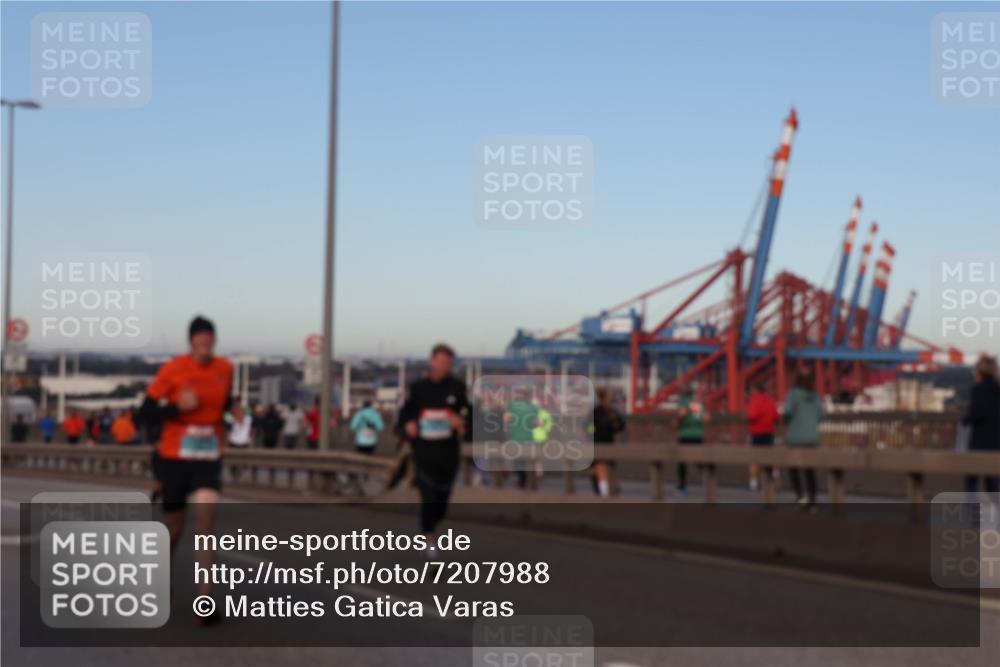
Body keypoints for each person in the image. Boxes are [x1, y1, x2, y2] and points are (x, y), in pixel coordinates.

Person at [137, 315, 232, 625]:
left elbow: (225, 403)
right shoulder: (173, 369)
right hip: (174, 457)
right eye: (200, 340)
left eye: (209, 340)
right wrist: (177, 408)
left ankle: (205, 601)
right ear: (191, 342)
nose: (205, 345)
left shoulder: (225, 369)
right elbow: (146, 413)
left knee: (206, 525)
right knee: (175, 527)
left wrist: (234, 412)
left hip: (207, 456)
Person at [397, 343, 469, 560]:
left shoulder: (457, 388)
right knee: (428, 496)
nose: (444, 366)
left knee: (441, 504)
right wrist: (409, 424)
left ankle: (430, 528)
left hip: (448, 453)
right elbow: (405, 414)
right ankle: (430, 544)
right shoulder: (419, 389)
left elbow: (470, 414)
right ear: (431, 362)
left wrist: (461, 422)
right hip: (424, 451)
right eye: (440, 362)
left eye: (448, 363)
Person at [784, 368, 824, 509]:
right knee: (809, 471)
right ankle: (812, 499)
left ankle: (800, 496)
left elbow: (787, 412)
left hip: (795, 438)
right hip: (812, 438)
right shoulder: (815, 396)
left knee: (793, 469)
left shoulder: (793, 394)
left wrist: (787, 421)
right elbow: (821, 416)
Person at [963, 355, 1000, 495]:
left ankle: (972, 514)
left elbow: (976, 414)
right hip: (996, 444)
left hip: (979, 444)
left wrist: (966, 419)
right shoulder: (997, 389)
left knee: (971, 482)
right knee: (993, 485)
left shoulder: (978, 389)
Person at [746, 381, 780, 491]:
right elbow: (776, 416)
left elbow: (752, 415)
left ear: (755, 390)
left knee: (754, 458)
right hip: (769, 432)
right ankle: (774, 475)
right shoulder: (770, 400)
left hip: (756, 432)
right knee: (770, 456)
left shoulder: (755, 400)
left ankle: (753, 483)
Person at [590, 388, 625, 497]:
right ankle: (609, 488)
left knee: (598, 467)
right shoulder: (612, 413)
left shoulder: (595, 412)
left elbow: (585, 426)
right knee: (608, 467)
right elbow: (620, 427)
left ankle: (603, 490)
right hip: (609, 442)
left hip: (596, 442)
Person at [504, 386, 539, 489]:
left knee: (517, 462)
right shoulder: (533, 407)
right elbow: (536, 423)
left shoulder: (511, 406)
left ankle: (521, 479)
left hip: (515, 438)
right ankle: (527, 480)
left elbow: (506, 420)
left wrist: (509, 429)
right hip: (528, 438)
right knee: (528, 461)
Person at [675, 387, 706, 496]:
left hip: (685, 434)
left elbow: (682, 414)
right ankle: (707, 480)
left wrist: (677, 423)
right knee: (699, 460)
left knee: (682, 461)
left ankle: (682, 486)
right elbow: (705, 418)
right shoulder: (696, 403)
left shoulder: (684, 402)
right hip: (698, 434)